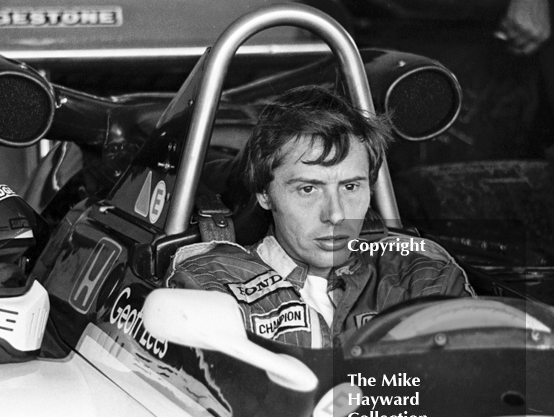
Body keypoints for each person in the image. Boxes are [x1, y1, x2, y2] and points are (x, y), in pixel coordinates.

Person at [166, 86, 474, 348]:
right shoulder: (213, 284)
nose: (336, 214)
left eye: (350, 186)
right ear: (264, 193)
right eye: (308, 189)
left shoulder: (421, 275)